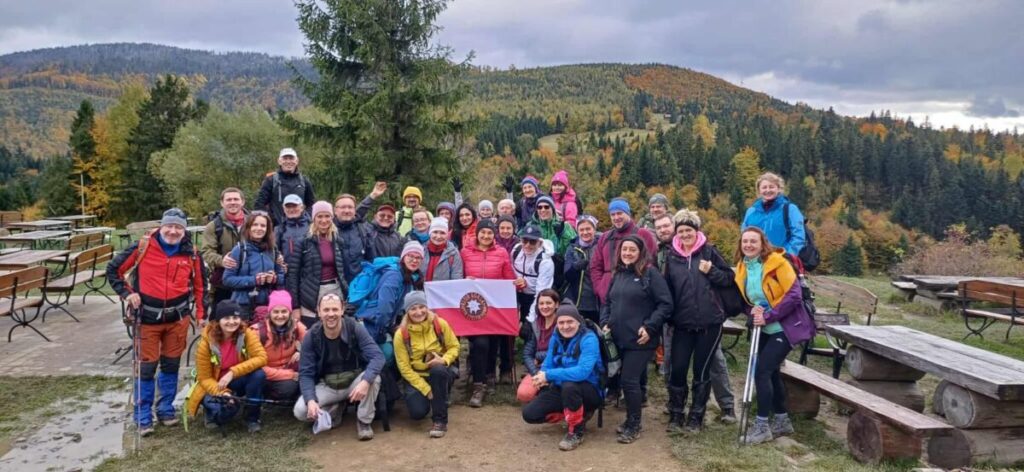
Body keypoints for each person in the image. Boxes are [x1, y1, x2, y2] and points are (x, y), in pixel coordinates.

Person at [107, 208, 206, 436]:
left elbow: (201, 286)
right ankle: (143, 416)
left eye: (178, 227)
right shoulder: (142, 247)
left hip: (178, 319)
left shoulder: (191, 253)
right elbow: (113, 270)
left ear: (184, 230)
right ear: (161, 226)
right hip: (147, 318)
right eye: (169, 226)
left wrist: (201, 314)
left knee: (171, 365)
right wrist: (127, 293)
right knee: (146, 369)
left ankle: (165, 409)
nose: (173, 231)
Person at [735, 227, 815, 445]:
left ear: (763, 243)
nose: (748, 245)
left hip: (784, 327)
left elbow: (794, 295)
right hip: (763, 327)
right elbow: (746, 300)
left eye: (753, 241)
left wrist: (768, 316)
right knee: (770, 373)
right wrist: (751, 310)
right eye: (745, 241)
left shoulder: (777, 263)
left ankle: (762, 426)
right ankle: (781, 420)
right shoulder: (742, 267)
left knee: (761, 371)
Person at [662, 210, 735, 433]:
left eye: (689, 230)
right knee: (678, 369)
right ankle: (676, 414)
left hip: (709, 323)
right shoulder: (672, 257)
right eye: (681, 231)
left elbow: (729, 278)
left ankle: (696, 416)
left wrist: (711, 271)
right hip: (682, 324)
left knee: (702, 371)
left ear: (696, 230)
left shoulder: (709, 252)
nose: (685, 234)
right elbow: (667, 289)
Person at [600, 235, 672, 444]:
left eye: (632, 250)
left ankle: (634, 424)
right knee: (629, 380)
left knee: (629, 380)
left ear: (641, 252)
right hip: (618, 337)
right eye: (624, 249)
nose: (628, 253)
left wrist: (650, 326)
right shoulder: (619, 273)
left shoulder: (650, 273)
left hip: (641, 340)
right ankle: (630, 420)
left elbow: (666, 304)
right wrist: (605, 321)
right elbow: (607, 302)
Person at [294, 293, 384, 441]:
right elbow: (306, 373)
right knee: (300, 411)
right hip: (328, 385)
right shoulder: (311, 335)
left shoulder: (354, 327)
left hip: (354, 382)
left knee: (374, 378)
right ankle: (336, 408)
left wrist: (365, 381)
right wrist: (310, 400)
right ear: (319, 311)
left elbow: (378, 356)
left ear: (342, 310)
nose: (331, 314)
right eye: (326, 310)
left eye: (335, 309)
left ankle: (364, 421)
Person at [521, 302, 603, 451]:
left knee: (569, 385)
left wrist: (549, 375)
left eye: (570, 322)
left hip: (589, 390)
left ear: (578, 321)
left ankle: (576, 431)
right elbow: (548, 362)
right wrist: (541, 376)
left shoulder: (589, 339)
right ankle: (575, 415)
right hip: (561, 388)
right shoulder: (556, 337)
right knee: (529, 414)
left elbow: (582, 372)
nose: (565, 326)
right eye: (561, 322)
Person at [187, 300, 268, 433]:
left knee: (258, 375)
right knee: (226, 413)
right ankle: (212, 412)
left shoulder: (247, 333)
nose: (232, 322)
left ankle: (252, 418)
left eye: (235, 318)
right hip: (215, 383)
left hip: (236, 378)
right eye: (227, 318)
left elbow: (261, 357)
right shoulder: (205, 343)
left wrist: (232, 372)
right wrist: (223, 393)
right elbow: (204, 378)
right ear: (218, 321)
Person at [461, 217, 516, 407]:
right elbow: (458, 277)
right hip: (473, 307)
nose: (486, 236)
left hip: (493, 307)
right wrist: (464, 280)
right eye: (483, 232)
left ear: (494, 235)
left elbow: (508, 277)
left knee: (493, 343)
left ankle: (489, 375)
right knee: (480, 343)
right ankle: (479, 385)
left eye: (490, 233)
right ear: (477, 234)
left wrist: (517, 283)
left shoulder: (501, 252)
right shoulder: (465, 252)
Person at [393, 291, 460, 438]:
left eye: (421, 307)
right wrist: (426, 389)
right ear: (407, 311)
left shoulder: (439, 324)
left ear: (427, 307)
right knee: (417, 413)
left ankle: (440, 421)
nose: (418, 312)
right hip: (417, 376)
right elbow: (404, 368)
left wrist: (444, 360)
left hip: (439, 371)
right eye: (413, 308)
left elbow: (454, 346)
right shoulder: (401, 334)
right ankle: (438, 396)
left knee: (438, 371)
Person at [286, 201, 346, 329]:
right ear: (314, 218)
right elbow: (293, 275)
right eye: (320, 216)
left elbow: (344, 270)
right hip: (310, 295)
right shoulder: (303, 242)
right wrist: (295, 306)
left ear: (332, 217)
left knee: (335, 329)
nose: (324, 220)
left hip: (335, 290)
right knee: (313, 330)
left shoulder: (338, 241)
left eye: (327, 216)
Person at [589, 198, 658, 306]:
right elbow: (595, 266)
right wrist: (600, 288)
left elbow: (650, 263)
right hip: (607, 296)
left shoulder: (643, 234)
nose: (616, 217)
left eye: (620, 213)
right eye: (613, 214)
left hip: (636, 296)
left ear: (628, 213)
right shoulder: (605, 237)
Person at [357, 241, 425, 344]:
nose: (414, 260)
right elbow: (385, 307)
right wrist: (381, 332)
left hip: (384, 324)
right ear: (403, 257)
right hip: (373, 324)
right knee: (386, 352)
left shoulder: (411, 276)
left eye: (418, 257)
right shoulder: (394, 276)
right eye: (410, 256)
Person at [222, 212, 285, 318]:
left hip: (267, 304)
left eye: (263, 225)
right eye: (255, 225)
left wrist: (274, 278)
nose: (259, 228)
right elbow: (227, 279)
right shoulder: (239, 250)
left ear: (268, 229)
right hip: (242, 306)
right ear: (248, 227)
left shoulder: (273, 250)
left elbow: (282, 276)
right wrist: (254, 280)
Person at [741, 172, 806, 258]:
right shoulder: (751, 211)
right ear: (759, 190)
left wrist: (786, 256)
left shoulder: (790, 209)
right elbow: (744, 236)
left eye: (771, 187)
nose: (768, 190)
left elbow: (798, 237)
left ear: (778, 189)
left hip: (782, 260)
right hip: (756, 260)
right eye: (764, 187)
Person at [257, 290, 307, 401]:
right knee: (289, 388)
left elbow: (311, 344)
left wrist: (301, 351)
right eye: (276, 312)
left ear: (290, 313)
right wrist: (289, 375)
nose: (280, 316)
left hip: (288, 367)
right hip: (266, 374)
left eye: (284, 311)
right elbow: (256, 367)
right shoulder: (258, 332)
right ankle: (266, 396)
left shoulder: (296, 327)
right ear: (270, 312)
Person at [202, 187, 248, 306]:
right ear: (222, 203)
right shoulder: (213, 226)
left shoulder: (253, 223)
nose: (232, 202)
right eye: (229, 200)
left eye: (236, 199)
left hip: (249, 280)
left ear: (243, 202)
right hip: (223, 282)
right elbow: (206, 252)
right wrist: (222, 261)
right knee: (221, 316)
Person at [518, 289, 561, 403]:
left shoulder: (562, 324)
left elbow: (559, 352)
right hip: (538, 368)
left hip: (557, 367)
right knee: (523, 394)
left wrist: (538, 356)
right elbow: (527, 354)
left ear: (556, 304)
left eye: (548, 303)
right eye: (541, 303)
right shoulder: (535, 324)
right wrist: (536, 373)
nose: (545, 306)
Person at [513, 223, 555, 337]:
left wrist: (530, 320)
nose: (527, 245)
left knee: (530, 331)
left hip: (535, 297)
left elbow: (541, 293)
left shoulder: (545, 262)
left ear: (540, 243)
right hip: (517, 294)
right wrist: (518, 281)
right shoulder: (516, 251)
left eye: (532, 242)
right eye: (524, 240)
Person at [254, 148, 315, 226]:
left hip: (300, 227)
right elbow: (259, 204)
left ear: (297, 161)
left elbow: (311, 205)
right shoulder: (271, 180)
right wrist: (270, 220)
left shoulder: (304, 181)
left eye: (291, 158)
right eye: (285, 158)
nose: (288, 161)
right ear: (279, 161)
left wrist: (306, 219)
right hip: (276, 228)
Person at [532, 195, 576, 290]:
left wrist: (563, 234)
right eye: (539, 207)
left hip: (559, 269)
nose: (543, 210)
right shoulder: (532, 225)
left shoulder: (564, 226)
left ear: (552, 208)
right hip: (538, 269)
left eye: (546, 207)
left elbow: (572, 247)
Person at [563, 215, 600, 324]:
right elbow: (567, 275)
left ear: (594, 229)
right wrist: (575, 267)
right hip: (578, 300)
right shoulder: (572, 248)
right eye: (581, 230)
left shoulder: (601, 245)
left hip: (598, 300)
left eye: (588, 229)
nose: (585, 232)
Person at [333, 193, 373, 282]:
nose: (347, 210)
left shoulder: (363, 230)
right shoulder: (328, 230)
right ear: (335, 211)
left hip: (359, 283)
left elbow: (370, 258)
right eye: (343, 207)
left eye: (350, 207)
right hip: (336, 285)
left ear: (355, 211)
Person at [423, 217, 464, 282]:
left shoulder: (453, 253)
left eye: (442, 233)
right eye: (435, 232)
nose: (438, 236)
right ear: (430, 233)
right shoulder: (422, 251)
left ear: (447, 235)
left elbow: (456, 279)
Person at [276, 194, 310, 264]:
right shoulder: (279, 229)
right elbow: (274, 251)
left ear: (302, 207)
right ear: (284, 209)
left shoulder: (312, 226)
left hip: (310, 268)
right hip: (288, 269)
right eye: (288, 207)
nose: (291, 209)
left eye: (294, 206)